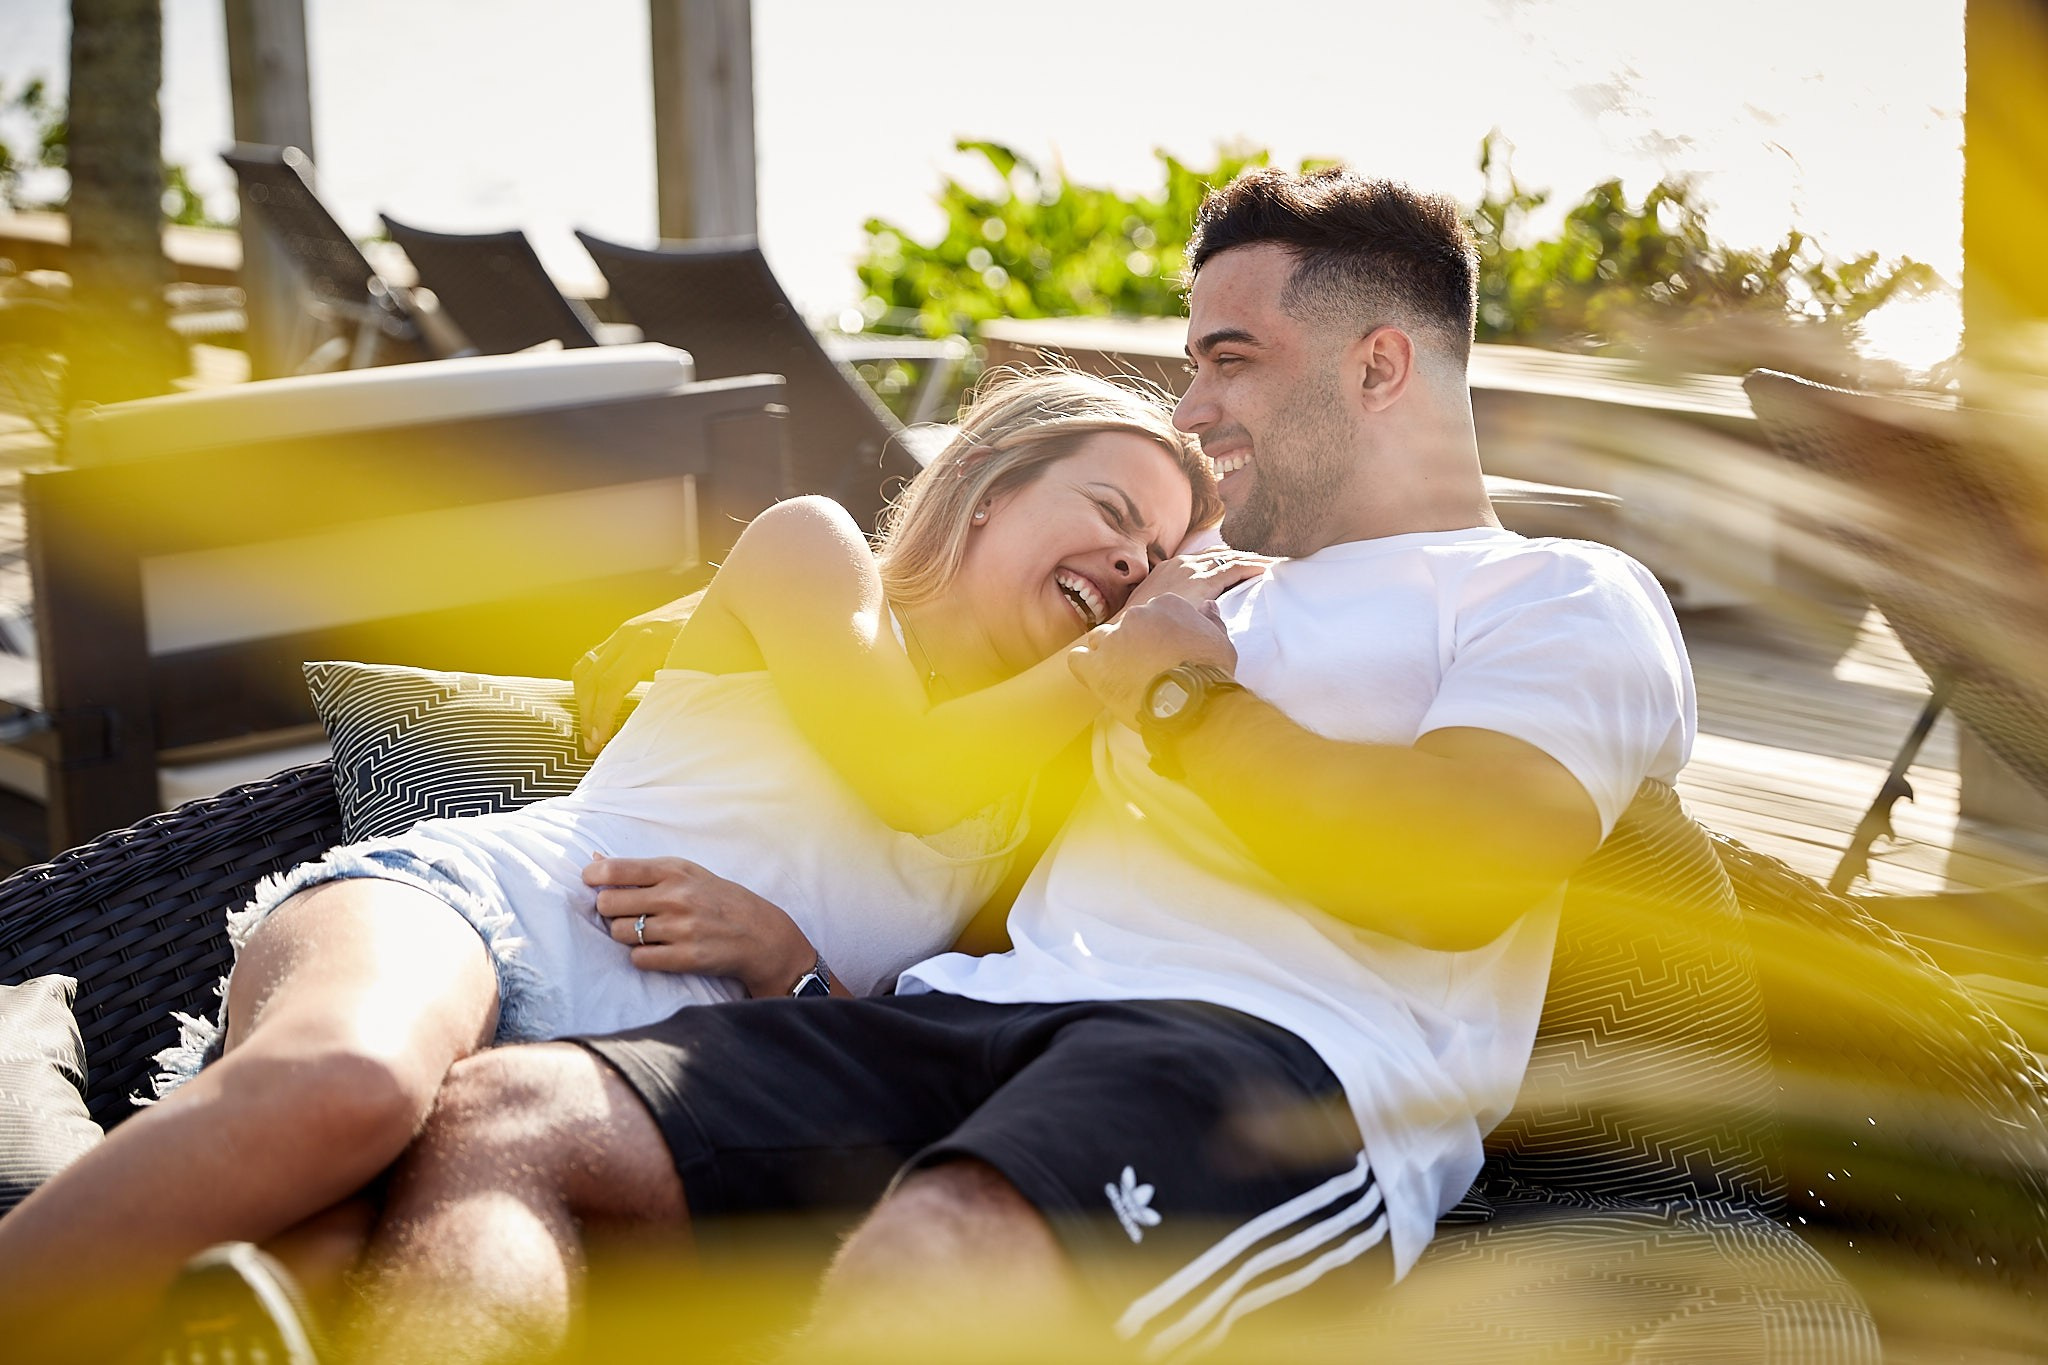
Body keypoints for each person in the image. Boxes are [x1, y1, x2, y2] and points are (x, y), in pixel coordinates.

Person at [337, 167, 1697, 1363]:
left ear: (1381, 366)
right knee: (513, 1118)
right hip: (960, 1014)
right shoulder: (1187, 591)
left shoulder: (1557, 595)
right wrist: (678, 637)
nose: (1195, 406)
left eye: (1230, 360)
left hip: (1263, 1067)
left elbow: (1449, 868)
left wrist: (1176, 701)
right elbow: (921, 672)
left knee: (944, 1248)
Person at [0, 368, 1238, 1363]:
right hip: (479, 912)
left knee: (327, 1265)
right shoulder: (815, 557)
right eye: (1110, 512)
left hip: (590, 1102)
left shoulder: (1032, 799)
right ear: (982, 484)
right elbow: (901, 769)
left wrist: (792, 962)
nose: (1133, 562)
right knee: (349, 1086)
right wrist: (1105, 669)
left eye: (1159, 553)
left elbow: (909, 1043)